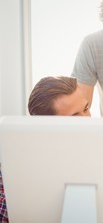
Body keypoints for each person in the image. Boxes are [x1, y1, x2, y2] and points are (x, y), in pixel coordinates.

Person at [0, 76, 91, 222]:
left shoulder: (98, 157)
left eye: (86, 109)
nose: (87, 120)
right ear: (44, 127)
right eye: (75, 116)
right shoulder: (14, 174)